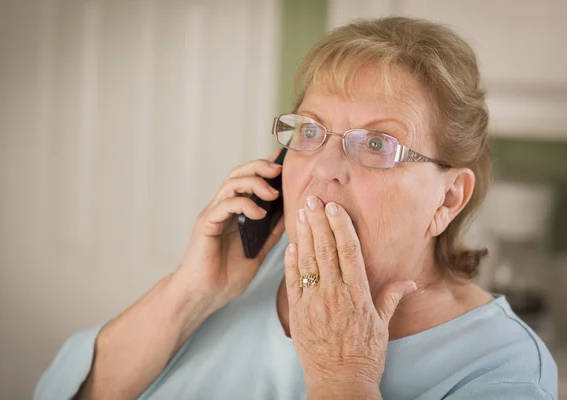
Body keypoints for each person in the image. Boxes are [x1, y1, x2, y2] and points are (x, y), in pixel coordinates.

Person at [34, 17, 558, 400]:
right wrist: (191, 292)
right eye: (310, 131)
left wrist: (342, 376)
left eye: (376, 144)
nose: (323, 167)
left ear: (448, 199)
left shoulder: (503, 369)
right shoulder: (251, 268)